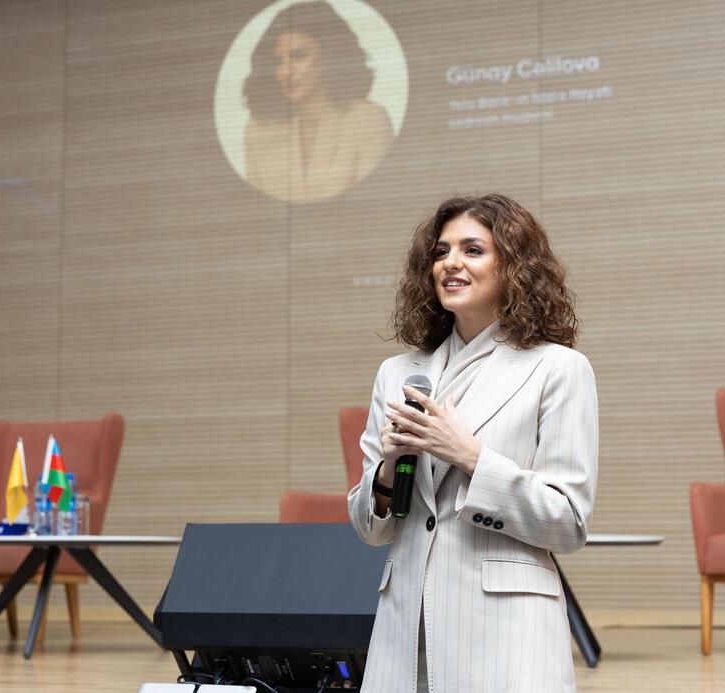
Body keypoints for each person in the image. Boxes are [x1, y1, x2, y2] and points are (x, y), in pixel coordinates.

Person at [348, 193, 599, 692]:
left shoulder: (558, 368)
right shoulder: (397, 373)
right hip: (405, 630)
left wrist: (471, 457)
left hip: (507, 634)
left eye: (473, 250)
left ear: (515, 267)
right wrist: (386, 470)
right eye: (441, 252)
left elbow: (567, 522)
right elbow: (371, 531)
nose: (451, 263)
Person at [241, 1, 392, 203]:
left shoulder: (368, 121)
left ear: (329, 56)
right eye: (278, 61)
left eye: (299, 56)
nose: (287, 71)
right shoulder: (257, 130)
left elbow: (373, 203)